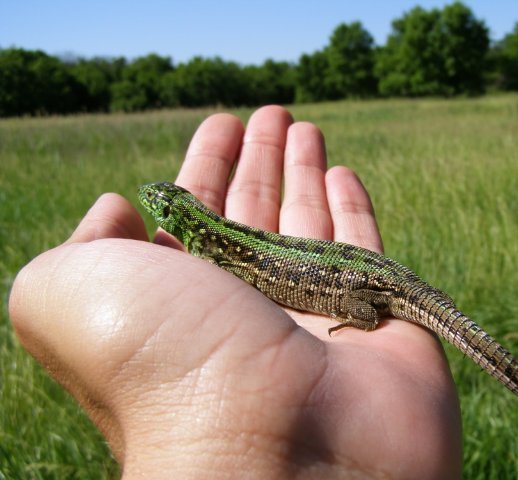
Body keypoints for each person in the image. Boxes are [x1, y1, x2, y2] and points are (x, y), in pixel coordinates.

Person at [9, 106, 462, 479]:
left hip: (381, 289)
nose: (151, 201)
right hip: (375, 275)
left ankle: (368, 316)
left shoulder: (214, 250)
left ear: (180, 218)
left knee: (361, 303)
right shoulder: (214, 243)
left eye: (161, 203)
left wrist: (363, 317)